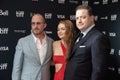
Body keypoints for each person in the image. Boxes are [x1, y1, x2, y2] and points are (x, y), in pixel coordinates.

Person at [64, 5, 111, 80]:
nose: (79, 21)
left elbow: (98, 71)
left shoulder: (98, 38)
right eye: (77, 18)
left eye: (83, 17)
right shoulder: (78, 35)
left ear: (92, 18)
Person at [12, 13, 54, 80]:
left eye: (38, 23)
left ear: (44, 25)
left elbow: (51, 61)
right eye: (33, 23)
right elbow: (17, 67)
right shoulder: (22, 42)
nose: (35, 26)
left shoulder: (51, 42)